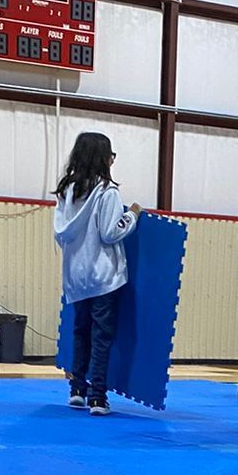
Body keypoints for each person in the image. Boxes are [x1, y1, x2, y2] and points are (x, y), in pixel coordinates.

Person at [53, 132, 139, 415]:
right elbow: (111, 232)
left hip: (76, 276)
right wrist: (133, 215)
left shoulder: (67, 192)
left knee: (80, 332)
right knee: (102, 336)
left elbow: (61, 234)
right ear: (105, 158)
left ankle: (77, 389)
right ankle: (98, 396)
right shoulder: (107, 193)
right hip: (102, 276)